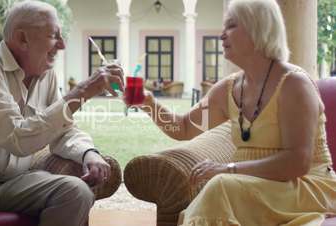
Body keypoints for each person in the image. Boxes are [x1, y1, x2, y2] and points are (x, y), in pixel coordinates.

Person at [139, 0, 336, 225]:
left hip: (305, 186)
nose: (221, 36)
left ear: (258, 28)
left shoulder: (293, 85)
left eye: (231, 26)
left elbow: (297, 163)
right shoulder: (227, 90)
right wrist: (149, 103)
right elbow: (183, 128)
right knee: (223, 188)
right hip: (252, 187)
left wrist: (228, 169)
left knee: (221, 186)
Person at [0, 1, 123, 226]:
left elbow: (61, 129)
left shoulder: (46, 75)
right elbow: (16, 138)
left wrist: (88, 153)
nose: (62, 45)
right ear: (22, 38)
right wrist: (81, 92)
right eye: (54, 36)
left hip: (12, 183)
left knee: (76, 192)